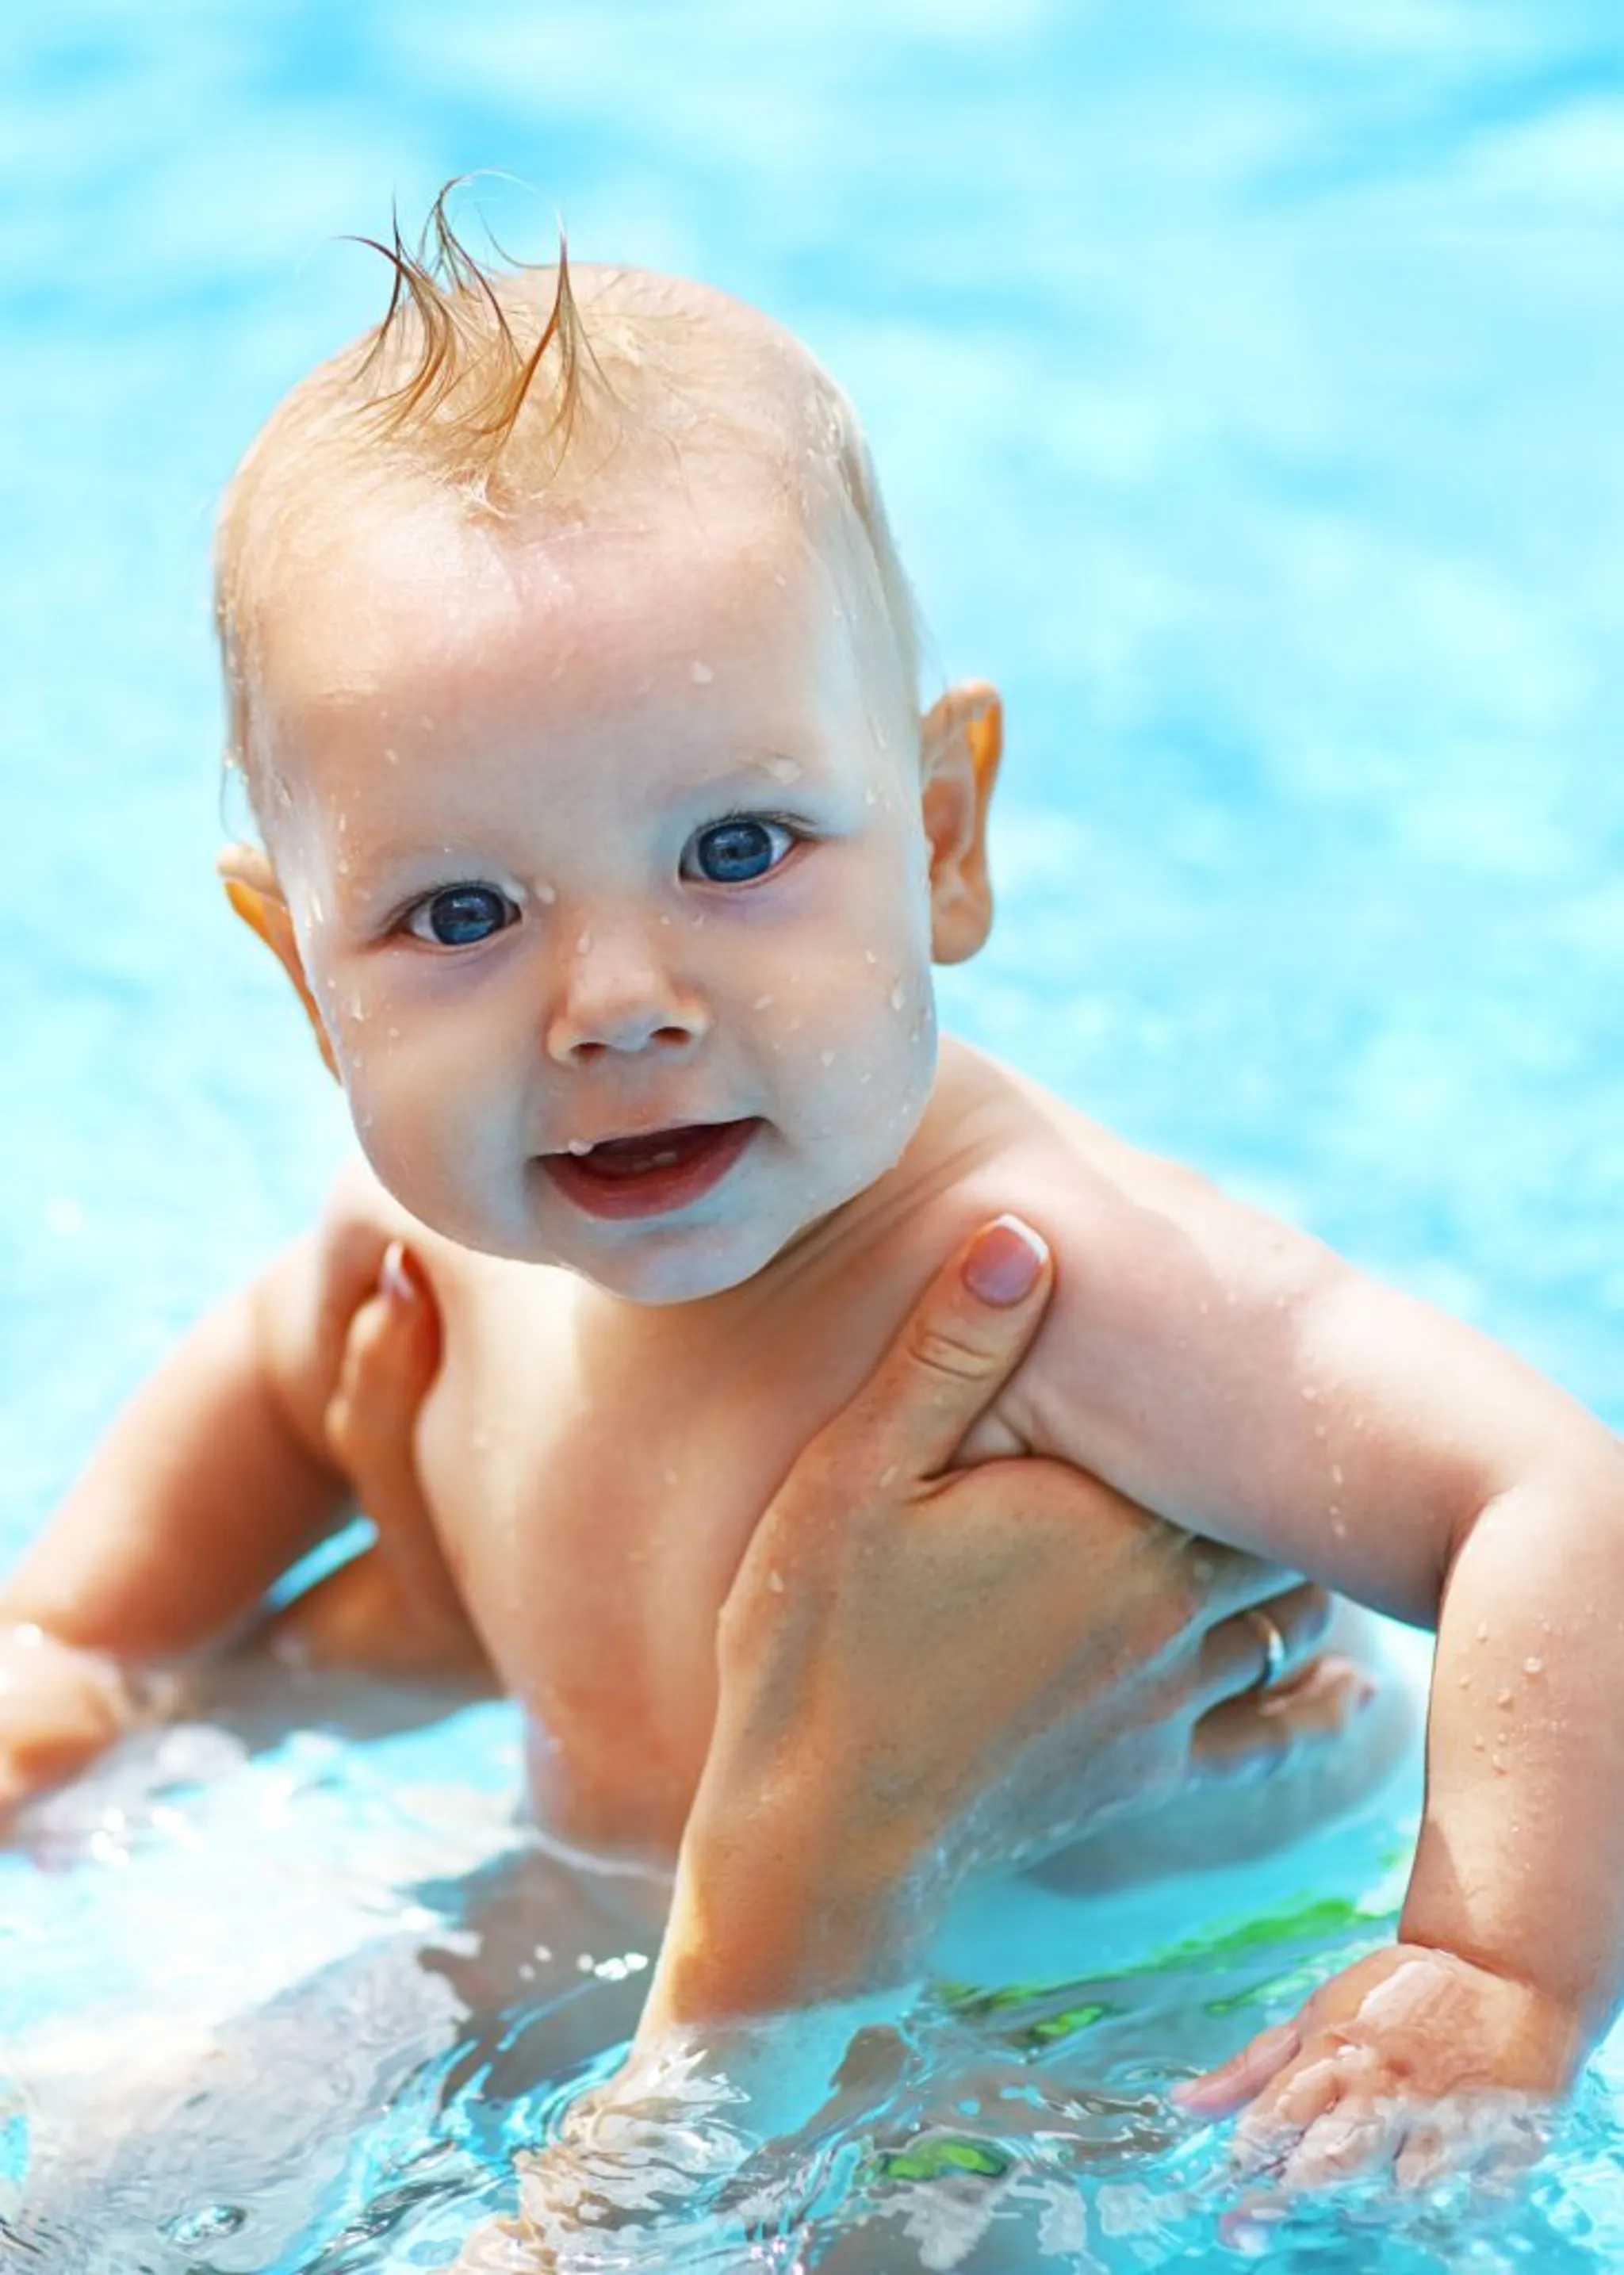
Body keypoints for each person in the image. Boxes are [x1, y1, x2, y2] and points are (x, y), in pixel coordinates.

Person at [3, 205, 1620, 2194]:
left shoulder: (1043, 1280)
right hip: (663, 1957)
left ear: (942, 840)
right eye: (460, 915)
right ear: (301, 974)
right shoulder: (424, 1263)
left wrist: (1490, 1970)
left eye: (738, 847)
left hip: (1110, 2042)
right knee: (92, 2177)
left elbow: (1548, 1498)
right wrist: (75, 1688)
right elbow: (104, 1606)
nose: (615, 1006)